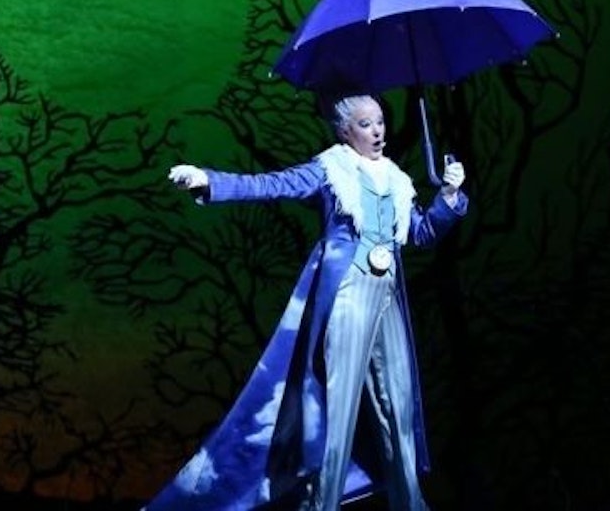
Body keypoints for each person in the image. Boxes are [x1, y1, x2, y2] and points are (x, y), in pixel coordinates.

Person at [145, 94, 468, 511]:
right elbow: (271, 184)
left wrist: (449, 195)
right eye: (366, 124)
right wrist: (209, 180)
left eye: (380, 122)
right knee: (338, 413)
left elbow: (421, 233)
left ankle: (410, 503)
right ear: (345, 131)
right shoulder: (331, 170)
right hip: (349, 295)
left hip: (387, 297)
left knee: (399, 407)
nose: (377, 131)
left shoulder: (396, 178)